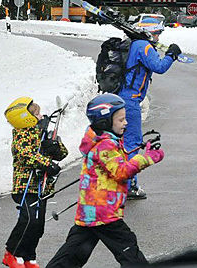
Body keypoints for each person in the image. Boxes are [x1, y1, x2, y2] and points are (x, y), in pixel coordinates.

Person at [45, 93, 164, 268]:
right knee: (128, 247)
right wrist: (147, 158)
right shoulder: (105, 145)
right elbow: (121, 171)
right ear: (105, 122)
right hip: (104, 212)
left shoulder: (103, 141)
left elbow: (115, 164)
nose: (126, 123)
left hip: (91, 211)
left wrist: (141, 149)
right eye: (121, 120)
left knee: (73, 253)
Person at [3, 97, 68, 268]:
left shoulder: (42, 133)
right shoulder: (21, 136)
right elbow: (26, 154)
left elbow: (62, 153)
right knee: (29, 220)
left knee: (38, 225)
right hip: (25, 185)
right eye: (37, 114)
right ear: (25, 118)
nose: (41, 116)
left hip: (42, 187)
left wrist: (55, 147)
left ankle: (28, 257)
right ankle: (12, 252)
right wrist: (47, 163)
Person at [117, 24, 179, 199]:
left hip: (119, 97)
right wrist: (171, 55)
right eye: (157, 33)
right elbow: (158, 66)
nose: (158, 37)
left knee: (122, 143)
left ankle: (119, 181)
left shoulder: (132, 43)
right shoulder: (143, 46)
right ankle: (129, 186)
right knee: (132, 143)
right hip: (130, 101)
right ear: (150, 33)